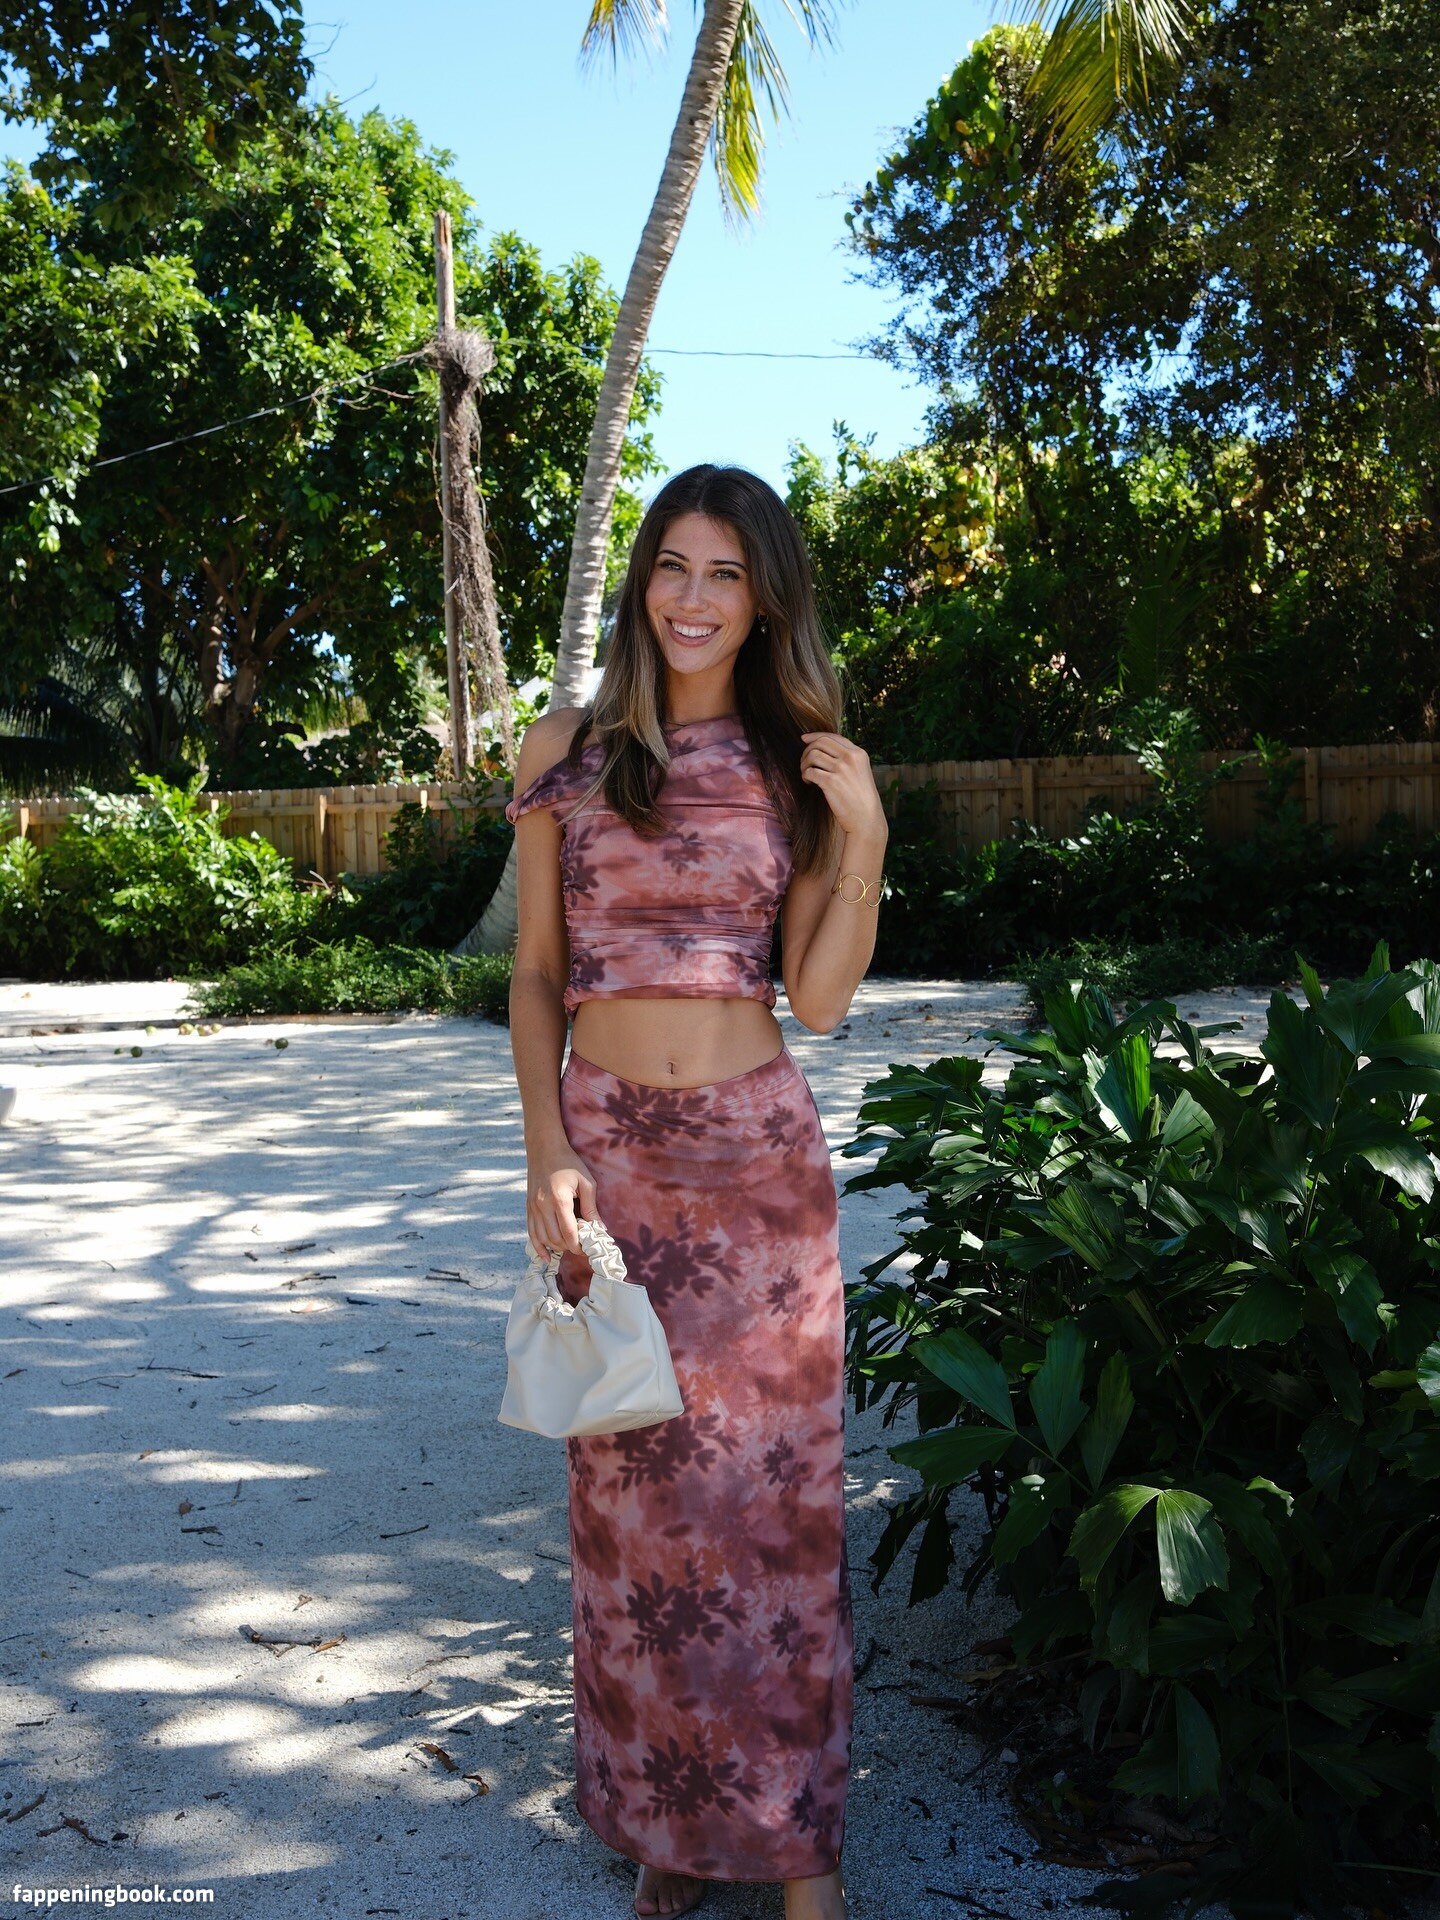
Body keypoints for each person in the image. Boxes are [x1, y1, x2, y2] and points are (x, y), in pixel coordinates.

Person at [506, 463, 887, 1920]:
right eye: (673, 564)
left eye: (726, 572)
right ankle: (674, 1825)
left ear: (765, 598)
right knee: (640, 1522)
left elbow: (820, 1000)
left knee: (774, 1526)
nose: (693, 596)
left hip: (759, 1179)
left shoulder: (798, 763)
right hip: (614, 1162)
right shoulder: (568, 748)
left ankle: (800, 1856)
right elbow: (535, 976)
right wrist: (548, 1152)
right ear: (641, 580)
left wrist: (865, 838)